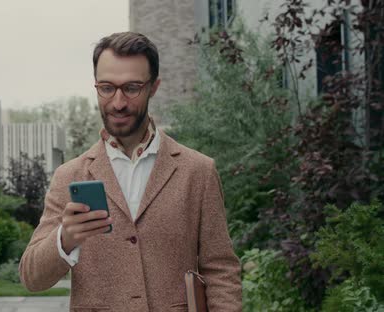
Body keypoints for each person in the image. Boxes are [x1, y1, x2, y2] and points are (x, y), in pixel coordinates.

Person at [19, 31, 242, 312]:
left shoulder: (197, 171)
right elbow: (31, 277)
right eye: (107, 88)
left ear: (154, 87)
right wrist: (65, 238)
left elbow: (220, 268)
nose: (118, 102)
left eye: (132, 88)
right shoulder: (70, 175)